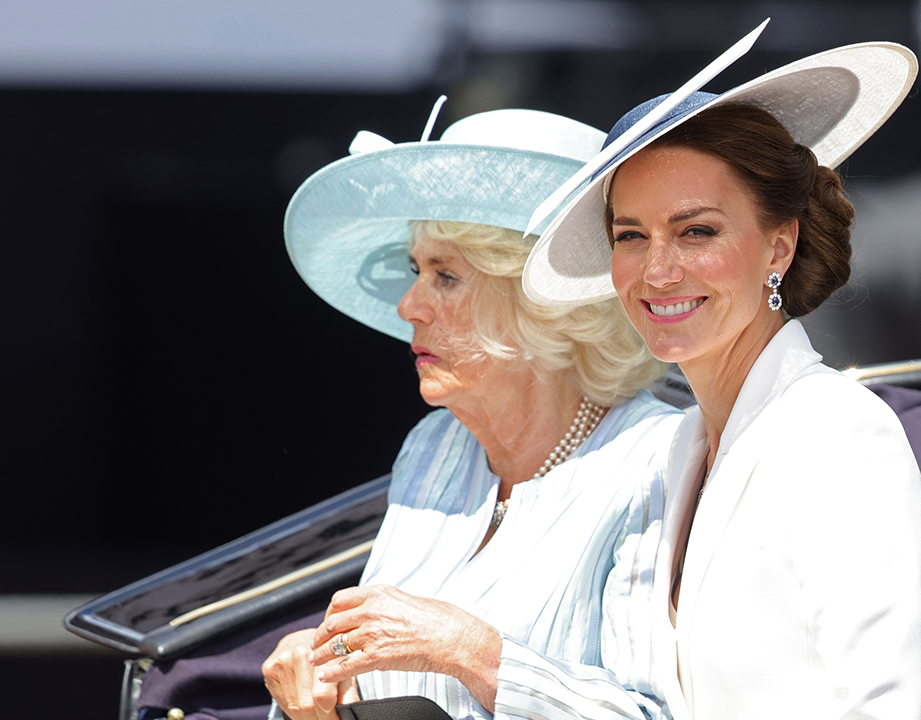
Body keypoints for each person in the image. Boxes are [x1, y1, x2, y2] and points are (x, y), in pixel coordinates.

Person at [522, 42, 921, 720]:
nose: (658, 271)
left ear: (779, 246)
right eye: (631, 236)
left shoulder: (841, 435)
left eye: (695, 232)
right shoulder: (679, 446)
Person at [260, 108, 683, 720]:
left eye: (446, 276)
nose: (409, 305)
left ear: (544, 302)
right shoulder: (436, 445)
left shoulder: (656, 462)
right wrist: (322, 676)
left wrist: (472, 653)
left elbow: (656, 713)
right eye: (417, 270)